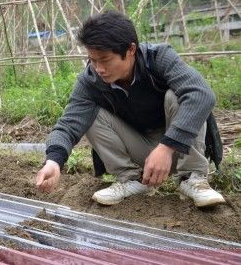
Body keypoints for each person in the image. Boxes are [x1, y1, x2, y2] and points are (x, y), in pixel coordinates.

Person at [35, 11, 225, 208]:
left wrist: (167, 147)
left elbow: (202, 94)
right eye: (92, 60)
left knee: (178, 95)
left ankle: (192, 178)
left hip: (179, 146)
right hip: (142, 147)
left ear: (131, 50)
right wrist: (53, 161)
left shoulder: (158, 59)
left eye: (105, 59)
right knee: (91, 114)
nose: (98, 68)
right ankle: (131, 180)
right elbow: (68, 124)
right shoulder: (91, 81)